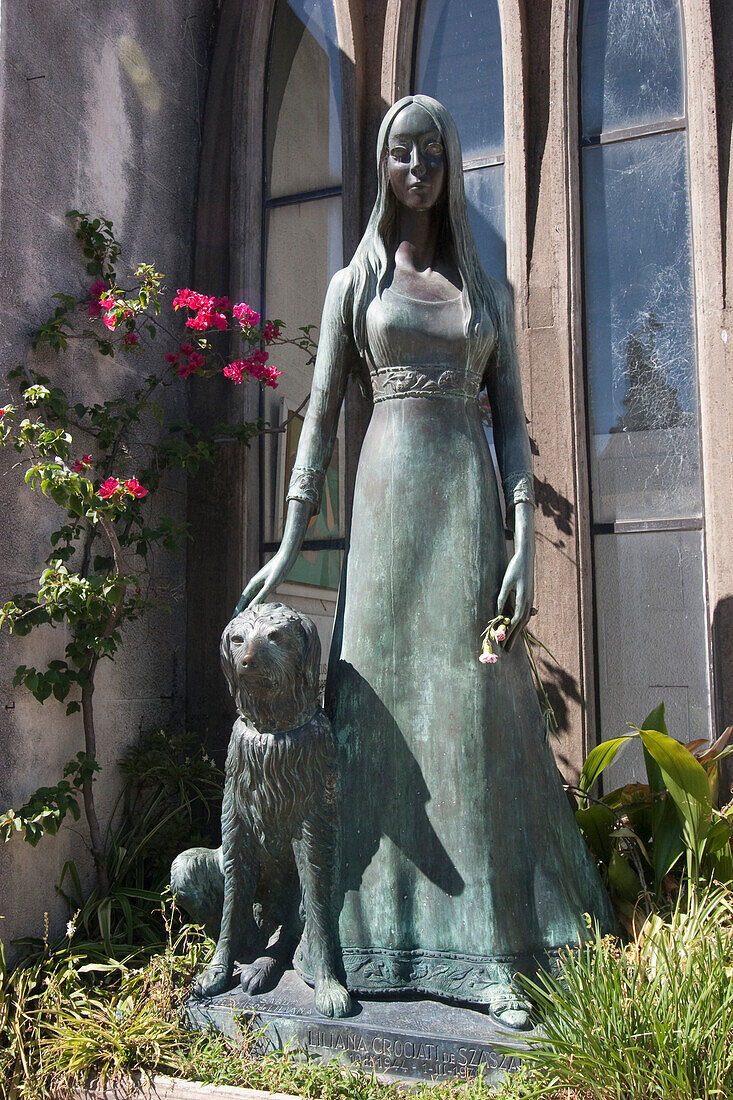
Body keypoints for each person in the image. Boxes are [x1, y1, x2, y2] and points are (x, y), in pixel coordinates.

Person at [237, 95, 615, 1030]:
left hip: (465, 509)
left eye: (432, 152)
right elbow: (320, 414)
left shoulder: (488, 296)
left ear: (449, 167)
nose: (416, 166)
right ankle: (358, 941)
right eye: (401, 151)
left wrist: (525, 540)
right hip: (385, 502)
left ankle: (489, 951)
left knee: (475, 719)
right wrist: (288, 537)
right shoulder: (352, 285)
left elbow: (517, 429)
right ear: (383, 164)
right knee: (370, 707)